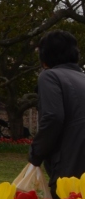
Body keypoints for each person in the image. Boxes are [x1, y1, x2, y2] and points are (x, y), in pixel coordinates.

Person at [29, 30, 85, 190]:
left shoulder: (50, 76)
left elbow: (53, 117)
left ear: (44, 59)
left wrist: (36, 154)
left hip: (72, 164)